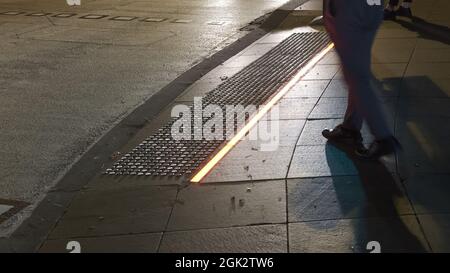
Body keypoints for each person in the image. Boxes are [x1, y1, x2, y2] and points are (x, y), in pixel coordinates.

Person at [322, 0, 401, 159]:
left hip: (348, 8)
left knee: (356, 76)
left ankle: (383, 136)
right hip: (373, 5)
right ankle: (350, 127)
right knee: (359, 70)